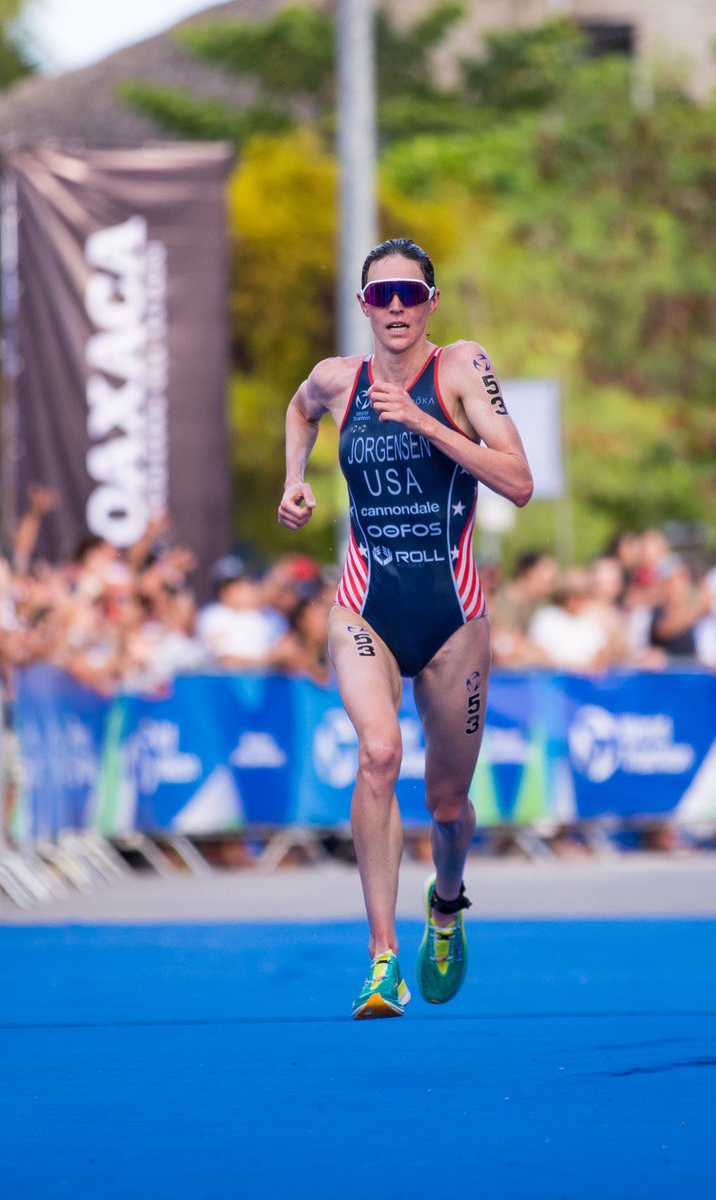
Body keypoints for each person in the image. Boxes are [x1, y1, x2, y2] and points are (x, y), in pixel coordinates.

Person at [278, 237, 533, 1019]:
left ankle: (446, 904)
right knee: (379, 753)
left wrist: (425, 426)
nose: (395, 307)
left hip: (454, 617)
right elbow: (299, 408)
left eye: (410, 294)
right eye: (380, 295)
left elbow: (518, 481)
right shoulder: (337, 379)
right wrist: (294, 479)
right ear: (362, 305)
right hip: (366, 607)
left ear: (432, 302)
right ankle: (382, 957)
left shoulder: (458, 367)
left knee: (448, 804)